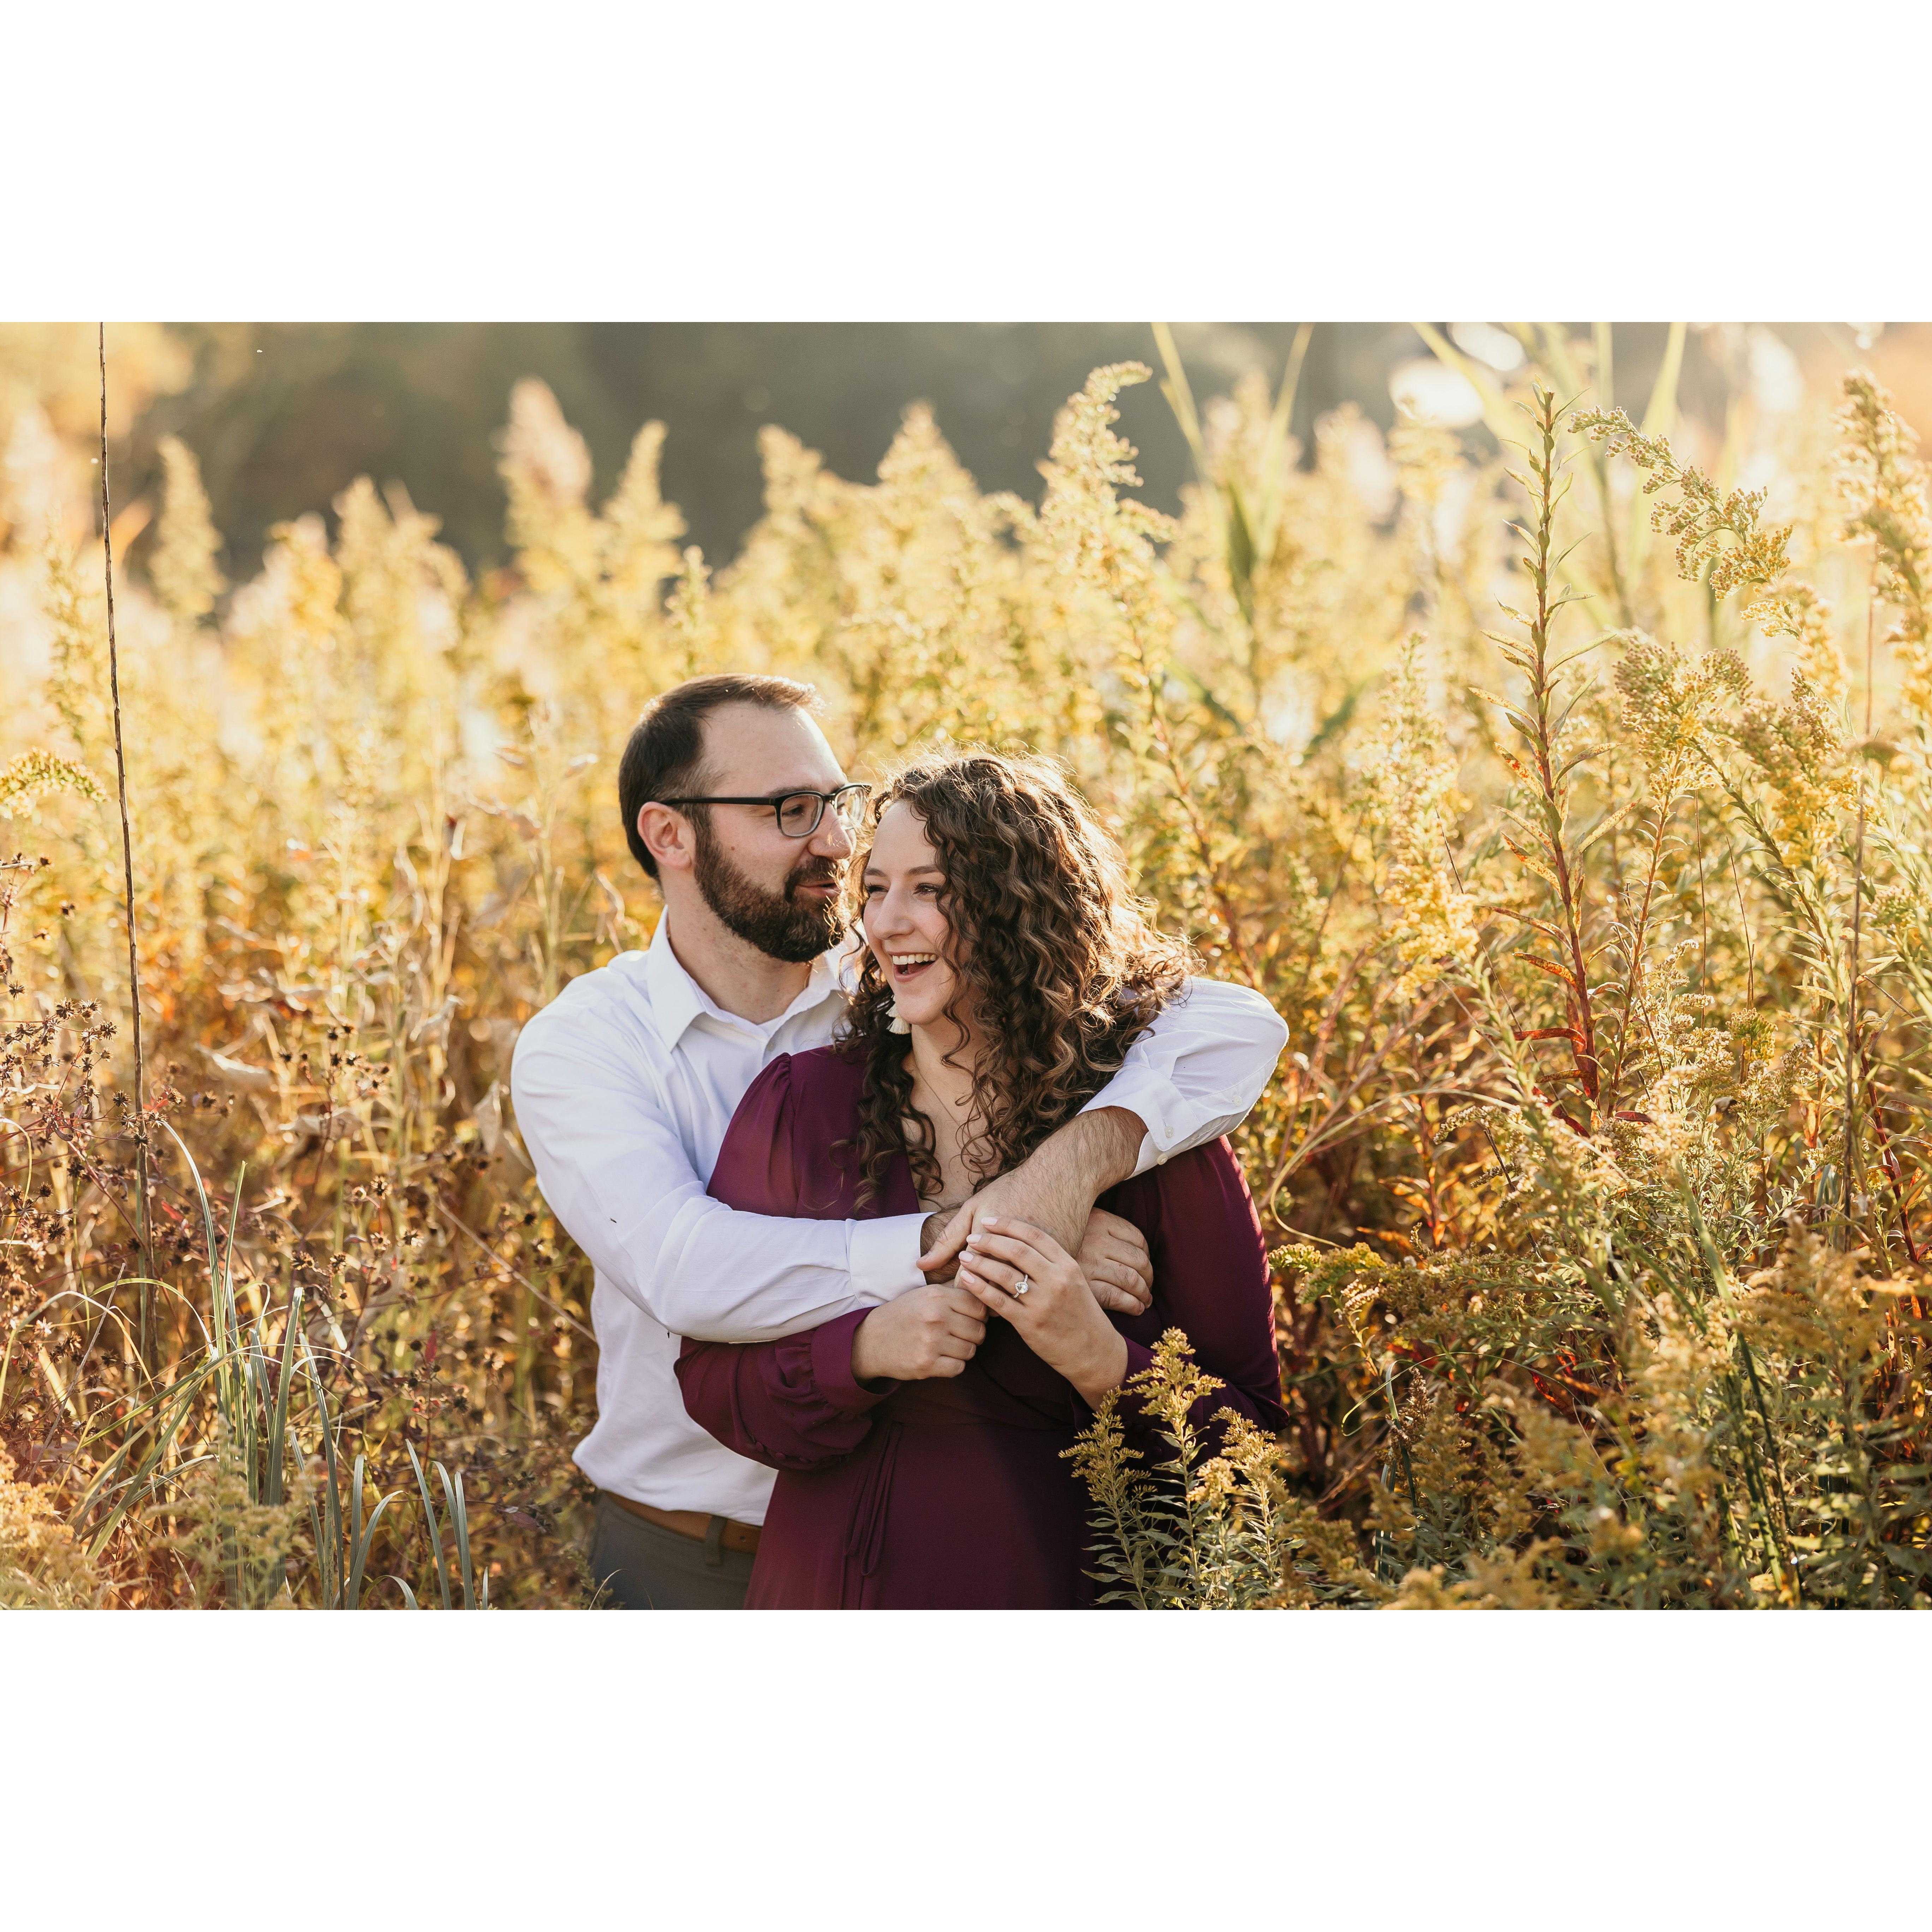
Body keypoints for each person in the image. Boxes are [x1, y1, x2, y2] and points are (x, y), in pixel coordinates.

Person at [511, 674, 1288, 1609]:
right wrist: (983, 1237)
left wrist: (1074, 1166)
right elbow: (684, 1269)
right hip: (692, 1549)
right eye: (790, 810)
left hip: (984, 1556)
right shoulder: (588, 1044)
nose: (838, 844)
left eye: (837, 803)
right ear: (670, 835)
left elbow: (1235, 1025)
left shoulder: (908, 973)